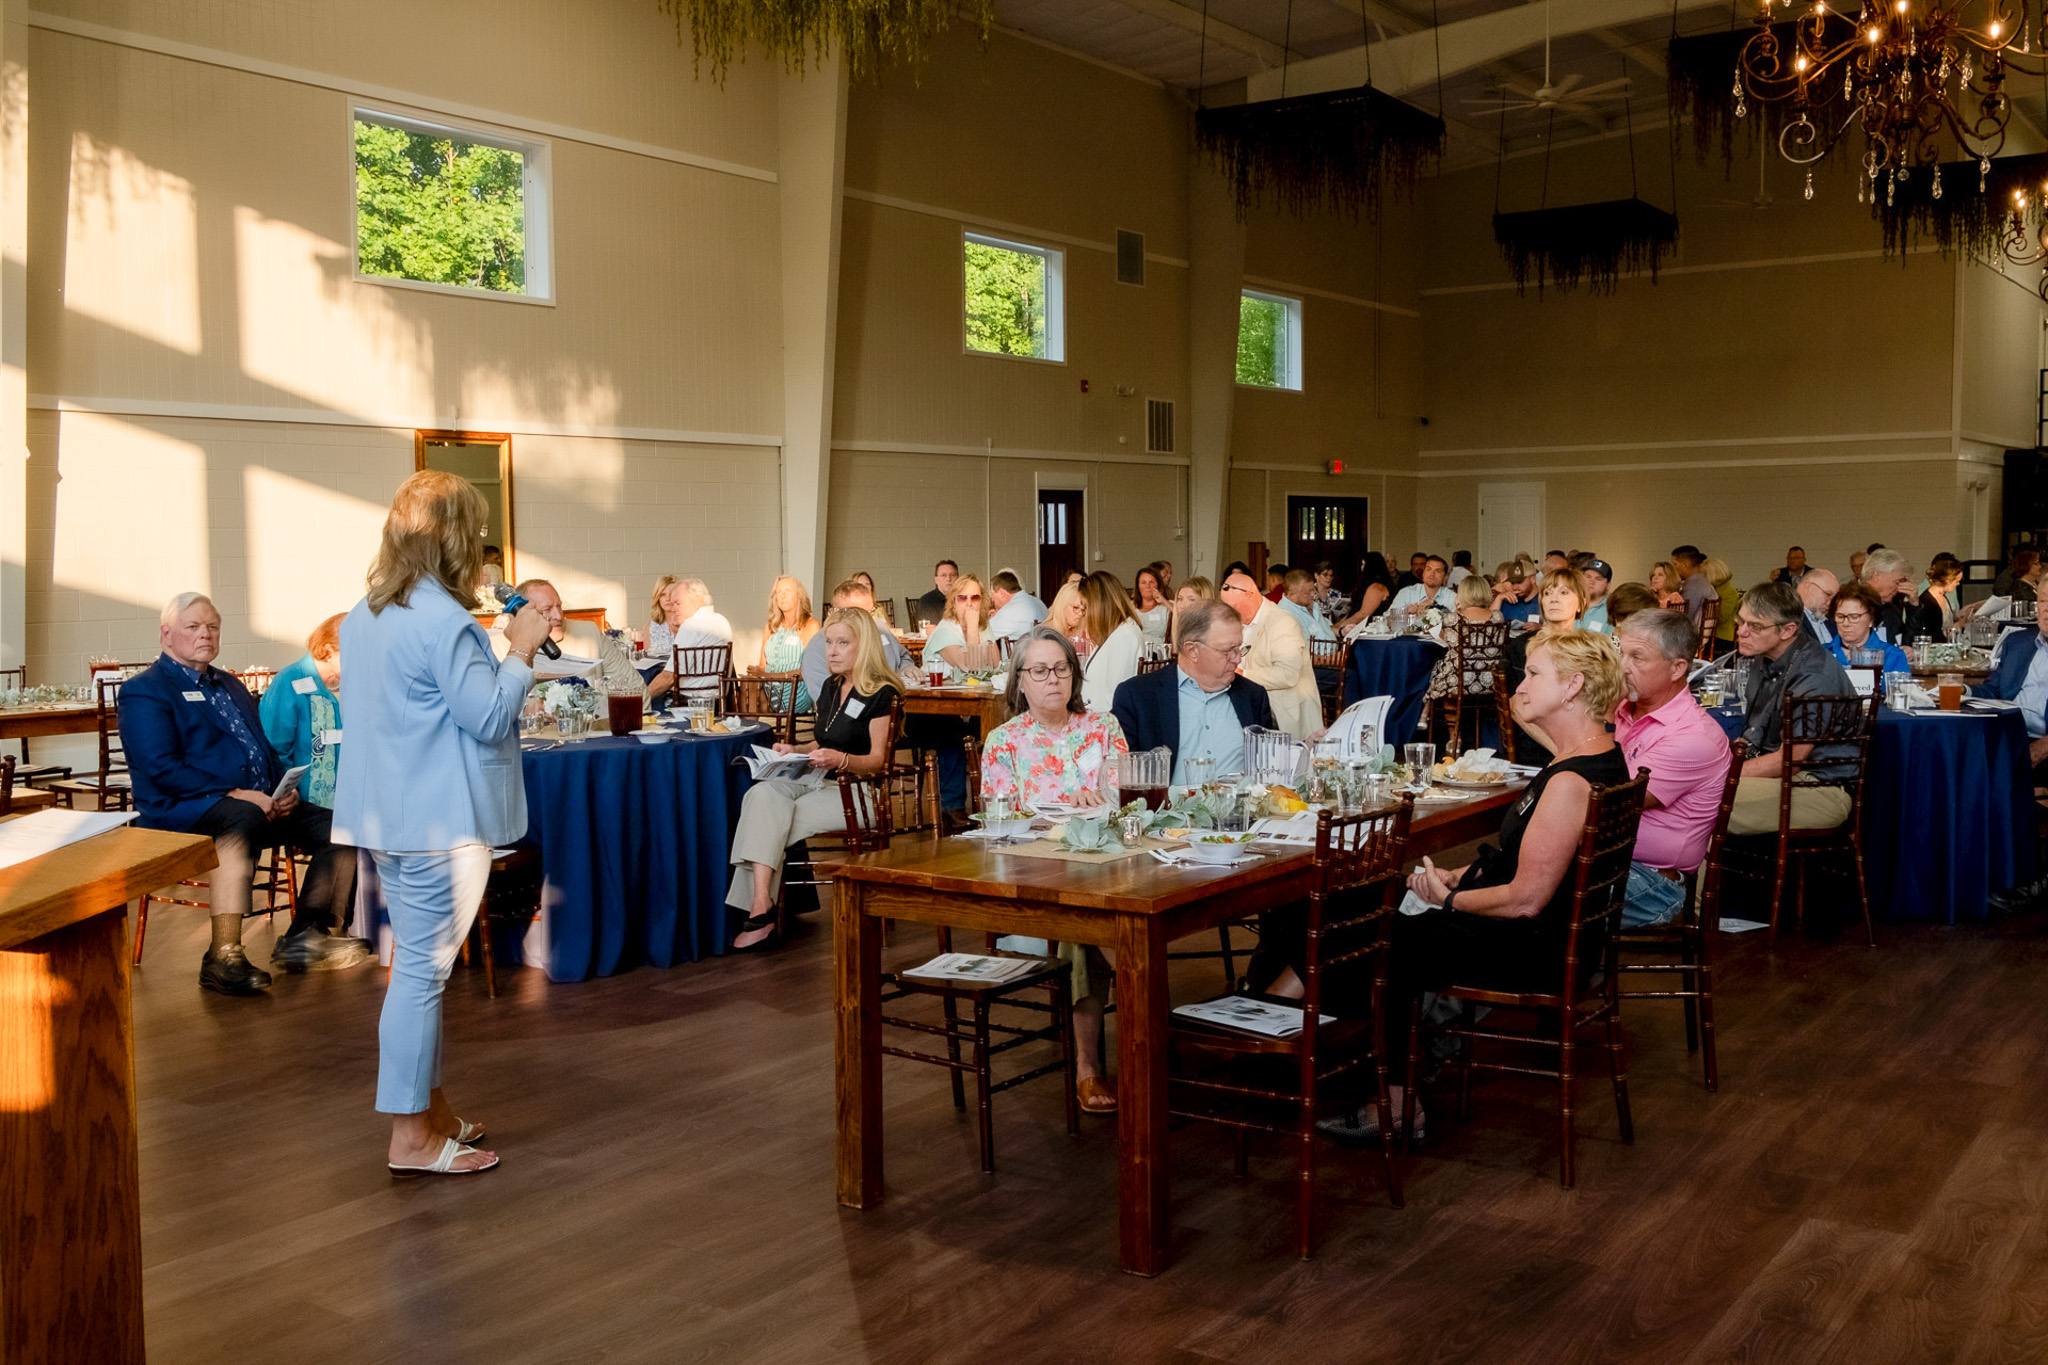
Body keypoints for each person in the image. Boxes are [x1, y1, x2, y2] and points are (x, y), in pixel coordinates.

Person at [1315, 630, 1634, 1145]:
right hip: (1555, 937)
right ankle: (1373, 1056)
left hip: (1535, 949)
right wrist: (1458, 876)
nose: (1520, 685)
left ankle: (1392, 1100)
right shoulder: (1594, 756)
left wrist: (1449, 899)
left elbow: (1526, 899)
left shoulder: (1570, 781)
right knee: (1360, 900)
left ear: (1573, 686)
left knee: (1380, 936)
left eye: (1534, 674)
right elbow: (1522, 861)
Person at [333, 470, 550, 1176]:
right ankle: (411, 1139)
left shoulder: (364, 615)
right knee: (421, 977)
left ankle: (430, 1111)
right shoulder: (444, 620)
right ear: (455, 538)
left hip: (388, 814)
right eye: (476, 532)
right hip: (440, 821)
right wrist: (520, 650)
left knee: (415, 971)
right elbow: (488, 717)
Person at [123, 594, 371, 993]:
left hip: (253, 802)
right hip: (182, 807)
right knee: (241, 819)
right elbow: (160, 768)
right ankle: (222, 955)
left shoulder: (229, 685)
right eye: (193, 627)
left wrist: (281, 789)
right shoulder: (146, 690)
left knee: (340, 825)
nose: (205, 634)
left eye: (212, 627)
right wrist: (236, 793)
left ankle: (308, 935)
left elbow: (264, 749)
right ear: (166, 635)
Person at [980, 626, 1128, 1111]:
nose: (1053, 679)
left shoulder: (1103, 727)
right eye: (1040, 671)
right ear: (1019, 681)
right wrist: (1056, 815)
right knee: (1083, 926)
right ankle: (1098, 1056)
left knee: (1103, 911)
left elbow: (1126, 798)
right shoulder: (1004, 741)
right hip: (1036, 876)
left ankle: (1130, 1030)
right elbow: (999, 821)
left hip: (1108, 865)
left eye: (1062, 668)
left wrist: (1101, 798)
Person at [728, 609, 900, 951]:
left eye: (842, 643)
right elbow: (823, 742)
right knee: (761, 795)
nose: (831, 652)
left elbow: (878, 760)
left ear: (864, 645)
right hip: (819, 778)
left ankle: (759, 914)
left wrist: (842, 759)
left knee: (769, 819)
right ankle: (762, 901)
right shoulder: (832, 686)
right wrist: (794, 749)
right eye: (829, 643)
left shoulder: (883, 693)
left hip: (859, 793)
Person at [1613, 611, 1734, 928]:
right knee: (1514, 876)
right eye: (1621, 653)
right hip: (1607, 860)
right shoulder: (1622, 709)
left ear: (1677, 668)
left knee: (1532, 890)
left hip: (1652, 884)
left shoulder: (1692, 736)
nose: (1622, 666)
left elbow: (1612, 804)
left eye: (1637, 657)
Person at [1719, 581, 1859, 837]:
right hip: (1786, 776)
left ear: (1788, 630)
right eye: (1741, 621)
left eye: (1755, 626)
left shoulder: (1813, 675)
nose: (1741, 632)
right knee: (1688, 790)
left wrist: (1717, 773)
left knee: (1703, 797)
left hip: (1821, 787)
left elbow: (1790, 760)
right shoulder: (1765, 657)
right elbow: (1754, 736)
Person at [1110, 599, 1276, 784]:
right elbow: (1119, 774)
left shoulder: (1253, 696)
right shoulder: (1137, 697)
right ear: (1192, 650)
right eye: (1228, 650)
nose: (1238, 659)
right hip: (1167, 802)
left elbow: (1269, 769)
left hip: (1238, 802)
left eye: (1239, 648)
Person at [1976, 594, 2048, 915]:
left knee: (2009, 779)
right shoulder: (2019, 642)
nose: (2046, 609)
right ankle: (1981, 873)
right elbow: (1994, 691)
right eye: (2043, 601)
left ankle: (2031, 880)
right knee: (1967, 769)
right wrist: (1963, 691)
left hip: (2042, 743)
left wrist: (2044, 746)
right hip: (2010, 737)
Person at [495, 579, 643, 696]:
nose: (558, 616)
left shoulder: (588, 633)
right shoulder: (500, 647)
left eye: (559, 607)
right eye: (547, 609)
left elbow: (636, 688)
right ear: (523, 615)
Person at [1222, 569, 1321, 740]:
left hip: (1284, 716)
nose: (1230, 614)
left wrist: (1243, 675)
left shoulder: (1282, 622)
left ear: (1250, 596)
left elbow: (1288, 674)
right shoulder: (1240, 621)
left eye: (1234, 608)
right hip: (1253, 705)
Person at [645, 577, 735, 701]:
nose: (673, 608)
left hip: (689, 701)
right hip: (720, 699)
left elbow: (668, 677)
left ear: (694, 600)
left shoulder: (690, 626)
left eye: (678, 603)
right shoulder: (721, 620)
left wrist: (640, 699)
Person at [1078, 571, 1144, 713]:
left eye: (1086, 608)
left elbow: (1114, 699)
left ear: (1099, 606)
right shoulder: (1112, 633)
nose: (1084, 615)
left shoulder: (1124, 636)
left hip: (1105, 721)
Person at [921, 572, 998, 685]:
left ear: (982, 601)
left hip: (972, 690)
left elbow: (996, 665)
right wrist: (972, 628)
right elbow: (971, 669)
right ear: (954, 602)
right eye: (962, 598)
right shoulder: (944, 631)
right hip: (938, 692)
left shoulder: (983, 625)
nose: (969, 603)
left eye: (975, 598)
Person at [758, 575, 820, 713]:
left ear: (799, 595)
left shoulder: (810, 625)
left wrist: (774, 677)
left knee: (753, 697)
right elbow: (762, 666)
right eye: (779, 592)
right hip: (769, 686)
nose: (782, 596)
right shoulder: (770, 626)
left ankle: (761, 722)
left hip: (796, 688)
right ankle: (750, 725)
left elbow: (808, 670)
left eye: (787, 591)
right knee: (747, 687)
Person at [1824, 580, 1911, 674]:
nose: (1845, 623)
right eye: (1840, 616)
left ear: (1871, 620)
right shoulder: (1821, 653)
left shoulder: (1893, 656)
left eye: (1854, 617)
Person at [1862, 548, 1940, 645]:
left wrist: (1914, 605)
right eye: (1897, 582)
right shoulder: (1851, 604)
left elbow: (1908, 643)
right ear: (1876, 576)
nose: (1899, 588)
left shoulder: (1890, 611)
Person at [1277, 568, 1339, 644]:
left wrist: (1341, 631)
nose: (1313, 594)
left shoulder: (1313, 605)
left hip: (1334, 649)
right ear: (1292, 595)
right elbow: (1299, 648)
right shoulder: (1286, 614)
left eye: (1313, 590)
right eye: (1308, 592)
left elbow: (1327, 628)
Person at [1335, 554, 1394, 633]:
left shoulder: (1377, 587)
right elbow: (1354, 612)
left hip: (1370, 632)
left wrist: (1338, 629)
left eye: (1363, 564)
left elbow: (1363, 614)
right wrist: (1335, 627)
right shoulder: (1367, 586)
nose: (1361, 567)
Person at [987, 569, 1047, 642]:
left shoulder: (1009, 611)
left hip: (1021, 649)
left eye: (992, 594)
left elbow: (982, 635)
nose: (992, 599)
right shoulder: (1038, 601)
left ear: (1002, 593)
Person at [1389, 556, 1455, 616]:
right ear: (1423, 573)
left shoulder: (1451, 597)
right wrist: (1404, 613)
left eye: (1438, 571)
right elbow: (1386, 619)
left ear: (1445, 576)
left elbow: (1458, 620)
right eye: (1428, 569)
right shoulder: (1406, 593)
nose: (1432, 574)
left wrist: (1435, 605)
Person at [1795, 568, 1841, 647]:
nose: (1830, 603)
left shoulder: (1833, 619)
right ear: (1808, 587)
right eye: (1828, 594)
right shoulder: (1788, 617)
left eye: (1834, 598)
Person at [1131, 563, 1173, 651]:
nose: (1148, 586)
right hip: (1135, 652)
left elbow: (1184, 619)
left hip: (1159, 654)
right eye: (1143, 582)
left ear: (1158, 584)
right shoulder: (1130, 607)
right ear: (1138, 586)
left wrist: (1164, 601)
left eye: (1151, 582)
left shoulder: (1167, 606)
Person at [1672, 546, 1715, 629]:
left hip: (1692, 632)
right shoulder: (1703, 581)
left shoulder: (1694, 586)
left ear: (1685, 565)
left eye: (1675, 564)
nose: (1673, 569)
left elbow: (1684, 616)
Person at [1702, 557, 1740, 651]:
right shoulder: (1711, 590)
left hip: (1721, 637)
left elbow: (1720, 618)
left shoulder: (1730, 593)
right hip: (1710, 635)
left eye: (1703, 574)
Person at [1169, 576, 1216, 649]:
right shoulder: (1181, 631)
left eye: (1191, 600)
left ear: (1205, 602)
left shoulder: (1213, 634)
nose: (1183, 605)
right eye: (1180, 599)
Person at [1046, 581, 1091, 657]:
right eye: (1076, 608)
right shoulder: (1046, 632)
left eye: (1083, 610)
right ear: (1062, 605)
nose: (1080, 614)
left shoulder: (1085, 631)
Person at [1921, 556, 1965, 633]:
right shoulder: (1927, 601)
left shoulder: (1942, 595)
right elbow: (1933, 632)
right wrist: (1958, 625)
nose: (1958, 584)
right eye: (1957, 581)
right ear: (1947, 580)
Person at [915, 559, 959, 626]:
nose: (948, 579)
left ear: (958, 578)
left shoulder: (964, 599)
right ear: (936, 580)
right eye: (943, 575)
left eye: (952, 575)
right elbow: (933, 629)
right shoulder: (926, 601)